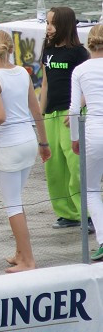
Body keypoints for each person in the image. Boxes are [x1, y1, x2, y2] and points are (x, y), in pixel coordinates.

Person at [0, 30, 51, 273]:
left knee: (12, 205)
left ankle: (28, 259)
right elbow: (36, 111)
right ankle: (20, 253)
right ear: (10, 49)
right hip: (29, 140)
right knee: (17, 200)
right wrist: (44, 143)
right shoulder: (23, 72)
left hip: (10, 144)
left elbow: (0, 116)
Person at [40, 6, 89, 229]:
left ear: (65, 25)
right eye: (47, 23)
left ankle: (87, 213)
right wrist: (40, 116)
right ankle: (67, 212)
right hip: (51, 114)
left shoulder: (78, 53)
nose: (48, 28)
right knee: (54, 166)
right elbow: (45, 83)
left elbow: (88, 86)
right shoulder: (47, 49)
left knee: (75, 165)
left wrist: (76, 109)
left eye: (52, 23)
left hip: (71, 115)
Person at [69, 24, 103, 261]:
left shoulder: (81, 70)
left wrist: (74, 138)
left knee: (90, 189)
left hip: (93, 130)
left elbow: (73, 110)